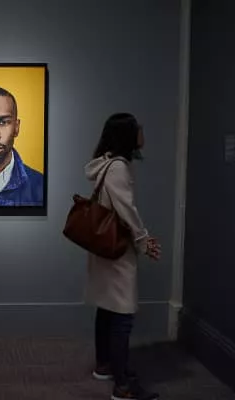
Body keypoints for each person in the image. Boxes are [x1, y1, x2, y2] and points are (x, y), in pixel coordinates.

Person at [83, 113, 161, 400]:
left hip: (104, 248)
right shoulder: (118, 167)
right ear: (127, 135)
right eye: (137, 128)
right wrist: (143, 240)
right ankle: (123, 387)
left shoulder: (106, 163)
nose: (142, 132)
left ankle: (104, 365)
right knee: (122, 316)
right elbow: (126, 209)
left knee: (107, 308)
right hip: (117, 251)